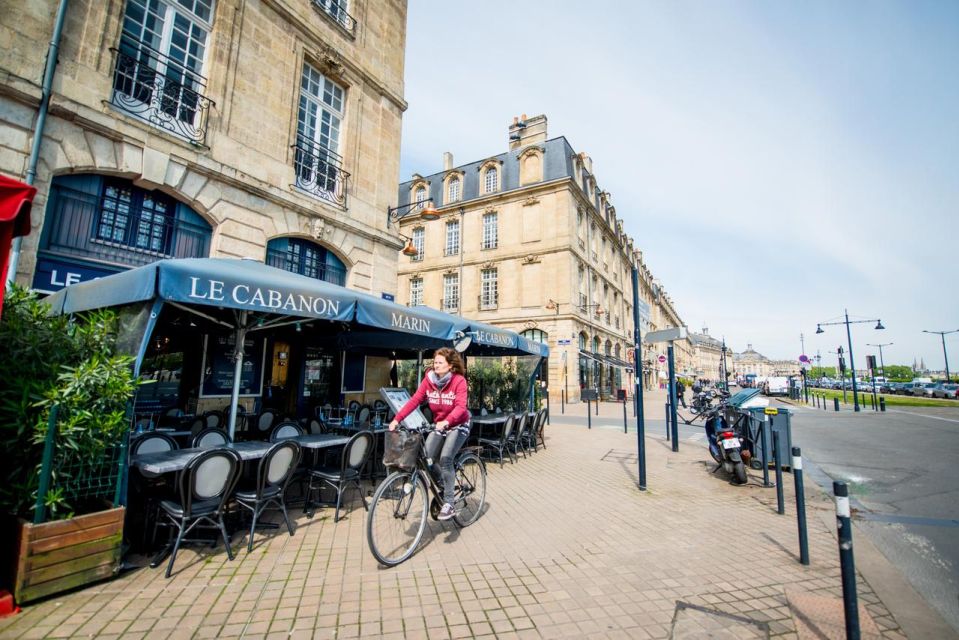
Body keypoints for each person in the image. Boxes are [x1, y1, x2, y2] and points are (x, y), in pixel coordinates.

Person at [389, 347, 470, 521]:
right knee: (428, 458)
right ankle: (445, 486)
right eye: (435, 362)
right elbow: (415, 400)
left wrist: (447, 422)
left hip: (458, 424)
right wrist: (397, 419)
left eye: (440, 362)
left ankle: (449, 503)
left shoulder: (459, 381)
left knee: (445, 458)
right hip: (439, 425)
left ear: (450, 366)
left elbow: (461, 407)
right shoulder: (429, 381)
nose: (436, 365)